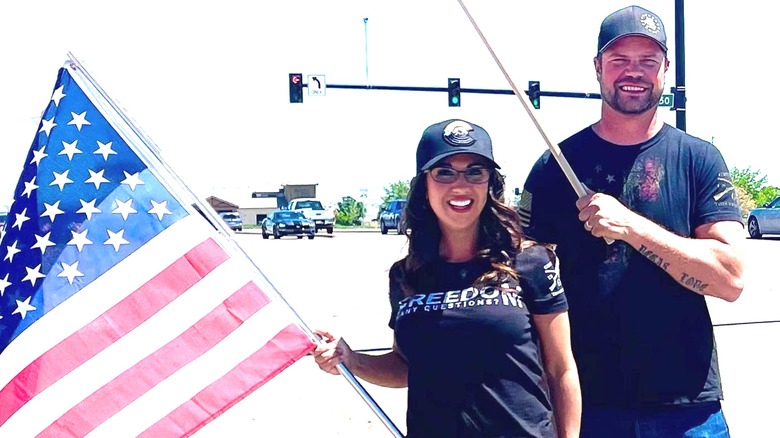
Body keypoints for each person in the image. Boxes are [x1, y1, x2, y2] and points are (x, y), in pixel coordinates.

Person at [518, 5, 746, 437]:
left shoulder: (698, 159)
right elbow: (521, 280)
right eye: (620, 60)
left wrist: (631, 226)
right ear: (598, 68)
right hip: (589, 406)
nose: (633, 72)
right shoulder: (556, 167)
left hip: (688, 410)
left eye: (647, 61)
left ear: (665, 70)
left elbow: (730, 279)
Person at [313, 119, 581, 437]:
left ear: (489, 184)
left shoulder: (529, 261)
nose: (460, 185)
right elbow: (405, 365)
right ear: (424, 186)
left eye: (474, 172)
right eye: (444, 172)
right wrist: (352, 360)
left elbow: (561, 368)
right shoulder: (407, 275)